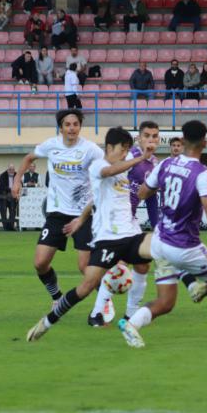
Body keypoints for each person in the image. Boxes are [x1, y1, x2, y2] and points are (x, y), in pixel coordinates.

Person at [119, 120, 207, 348]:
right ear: (205, 143)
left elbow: (142, 193)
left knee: (166, 301)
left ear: (182, 141)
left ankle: (131, 324)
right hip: (184, 246)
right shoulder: (202, 174)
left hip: (160, 241)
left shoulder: (165, 165)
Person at [24, 126, 157, 342]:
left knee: (162, 248)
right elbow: (107, 173)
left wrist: (80, 220)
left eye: (127, 151)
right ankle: (47, 322)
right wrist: (141, 157)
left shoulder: (122, 168)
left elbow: (94, 199)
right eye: (122, 150)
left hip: (130, 234)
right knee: (85, 287)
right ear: (110, 147)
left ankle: (136, 315)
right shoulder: (98, 165)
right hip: (108, 240)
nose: (124, 155)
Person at [11, 109, 103, 328]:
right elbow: (28, 158)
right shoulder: (51, 145)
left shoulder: (90, 149)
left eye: (75, 124)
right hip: (56, 213)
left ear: (80, 127)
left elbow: (106, 167)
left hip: (83, 213)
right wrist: (17, 180)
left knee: (85, 267)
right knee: (40, 262)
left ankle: (103, 304)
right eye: (67, 124)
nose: (71, 128)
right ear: (60, 128)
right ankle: (56, 296)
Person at [86, 122, 162, 326]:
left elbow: (151, 198)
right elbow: (108, 173)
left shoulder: (153, 163)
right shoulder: (127, 156)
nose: (151, 140)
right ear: (139, 138)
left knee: (143, 265)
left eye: (155, 136)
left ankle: (130, 315)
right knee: (117, 267)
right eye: (146, 135)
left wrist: (157, 225)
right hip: (112, 223)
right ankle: (97, 312)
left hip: (130, 220)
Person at [0, 164, 18, 231]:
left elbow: (20, 183)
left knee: (13, 211)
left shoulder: (16, 175)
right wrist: (12, 189)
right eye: (10, 169)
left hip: (13, 196)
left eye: (13, 169)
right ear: (7, 169)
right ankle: (6, 227)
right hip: (3, 196)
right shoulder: (2, 175)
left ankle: (11, 226)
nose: (12, 171)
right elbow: (2, 186)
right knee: (3, 211)